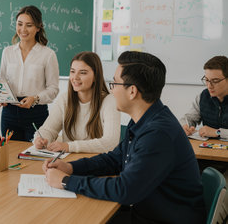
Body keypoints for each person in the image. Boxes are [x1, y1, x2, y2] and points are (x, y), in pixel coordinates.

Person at [43, 51, 205, 223]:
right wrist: (70, 167)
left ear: (132, 91)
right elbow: (115, 159)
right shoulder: (144, 120)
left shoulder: (158, 133)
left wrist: (67, 182)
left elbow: (125, 190)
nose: (112, 90)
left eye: (114, 83)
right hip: (148, 211)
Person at [33, 52, 120, 153]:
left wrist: (69, 146)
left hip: (97, 162)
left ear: (96, 76)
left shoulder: (110, 101)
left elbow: (110, 143)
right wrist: (41, 139)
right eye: (72, 71)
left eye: (82, 73)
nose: (75, 77)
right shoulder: (65, 99)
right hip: (68, 162)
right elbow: (48, 130)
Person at [0, 5, 59, 141]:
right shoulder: (7, 52)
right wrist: (0, 97)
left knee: (35, 154)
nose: (23, 30)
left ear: (38, 27)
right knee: (10, 154)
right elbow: (2, 82)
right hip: (10, 113)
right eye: (20, 24)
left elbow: (53, 89)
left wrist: (35, 98)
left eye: (29, 25)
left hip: (36, 113)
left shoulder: (48, 55)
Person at [180, 56, 228, 138]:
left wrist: (217, 132)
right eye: (206, 80)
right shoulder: (203, 96)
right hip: (208, 149)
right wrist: (185, 126)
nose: (209, 86)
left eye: (215, 81)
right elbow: (188, 118)